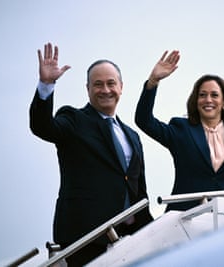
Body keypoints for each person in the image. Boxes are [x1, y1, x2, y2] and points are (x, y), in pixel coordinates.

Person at [29, 43, 153, 266]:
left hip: (131, 235)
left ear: (121, 87)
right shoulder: (74, 120)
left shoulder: (132, 135)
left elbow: (137, 186)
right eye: (98, 84)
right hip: (86, 237)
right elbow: (42, 126)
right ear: (87, 89)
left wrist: (148, 226)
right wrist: (46, 85)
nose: (105, 90)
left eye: (110, 83)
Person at [135, 50, 224, 212]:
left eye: (214, 95)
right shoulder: (181, 129)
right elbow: (144, 121)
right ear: (196, 101)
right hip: (185, 220)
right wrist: (153, 82)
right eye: (202, 95)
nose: (208, 100)